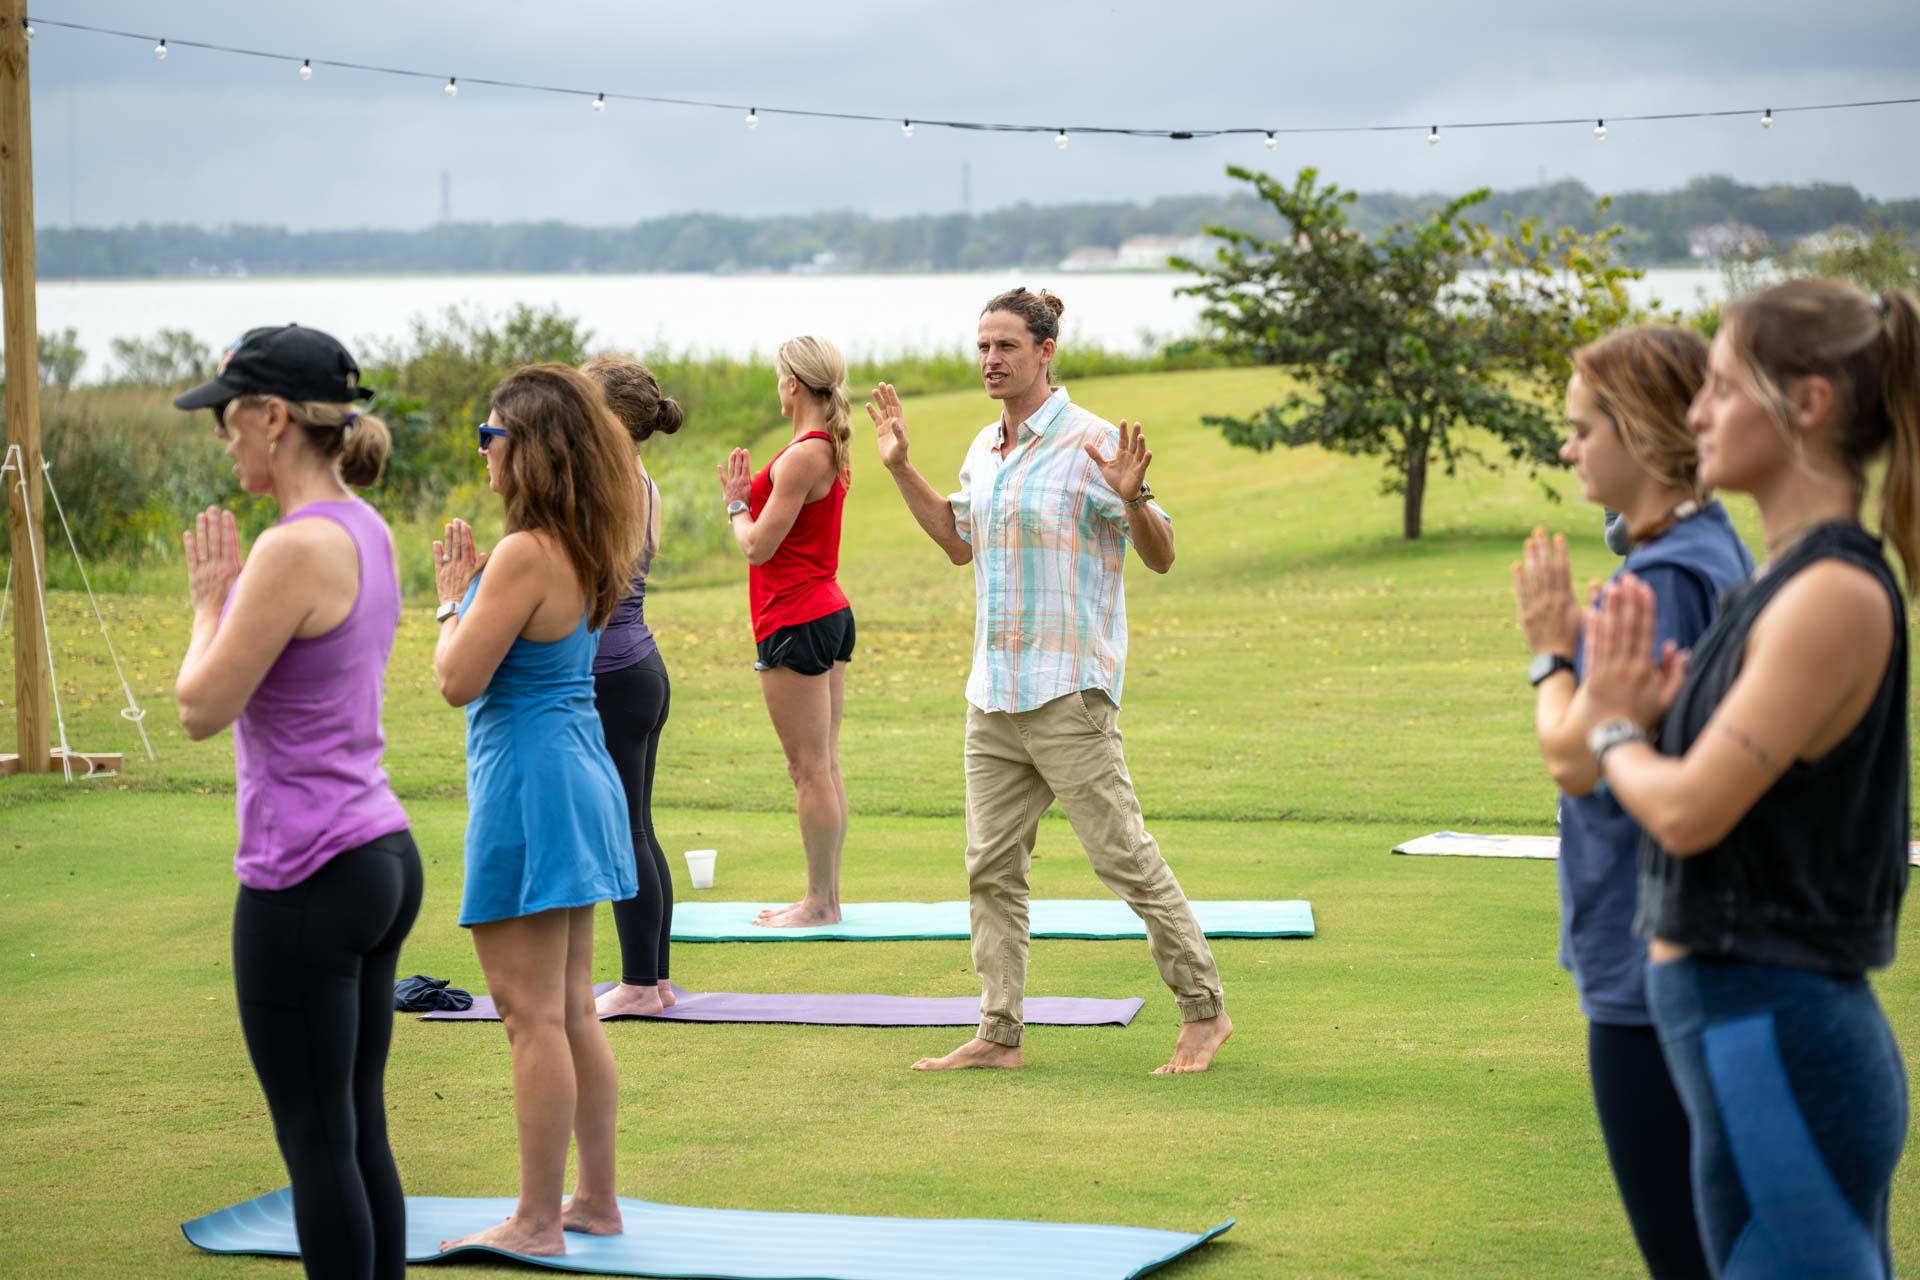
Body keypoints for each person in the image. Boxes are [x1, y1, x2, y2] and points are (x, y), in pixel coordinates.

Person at [1581, 279, 1915, 1277]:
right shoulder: (1779, 580)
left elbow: (1686, 811)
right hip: (1739, 1033)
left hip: (1779, 1035)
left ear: (1806, 403)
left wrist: (1612, 729)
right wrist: (1645, 719)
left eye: (1721, 387)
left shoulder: (1831, 594)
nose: (1695, 415)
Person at [870, 286, 1231, 1074]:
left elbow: (1161, 553)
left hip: (1069, 692)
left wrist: (1134, 496)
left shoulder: (1090, 441)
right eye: (982, 348)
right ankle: (999, 1033)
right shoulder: (984, 447)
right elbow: (959, 541)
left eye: (1005, 346)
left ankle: (1204, 1013)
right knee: (990, 870)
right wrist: (901, 470)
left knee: (1123, 859)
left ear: (1045, 351)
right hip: (992, 693)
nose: (990, 361)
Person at [171, 324, 420, 1280]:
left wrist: (206, 605)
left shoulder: (289, 549)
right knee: (357, 1133)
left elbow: (200, 707)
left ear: (274, 419)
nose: (224, 438)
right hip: (379, 855)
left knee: (319, 1146)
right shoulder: (367, 526)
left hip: (306, 872)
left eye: (230, 418)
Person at [1511, 326, 1750, 1280]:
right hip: (1678, 939)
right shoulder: (1707, 551)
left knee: (1687, 1253)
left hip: (1648, 953)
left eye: (1579, 430)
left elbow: (1574, 758)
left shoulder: (1661, 582)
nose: (1567, 449)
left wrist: (1549, 653)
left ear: (1641, 435)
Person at [431, 364, 645, 1257]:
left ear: (530, 449)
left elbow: (456, 680)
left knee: (531, 1016)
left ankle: (536, 1221)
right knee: (571, 1010)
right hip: (577, 775)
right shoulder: (591, 537)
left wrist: (451, 601)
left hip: (532, 784)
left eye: (491, 437)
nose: (483, 451)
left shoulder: (524, 552)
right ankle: (592, 1200)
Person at [715, 336, 856, 928]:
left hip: (796, 617)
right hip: (821, 611)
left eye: (779, 378)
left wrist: (734, 505)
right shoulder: (822, 447)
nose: (778, 388)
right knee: (822, 763)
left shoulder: (805, 453)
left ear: (793, 383)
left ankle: (820, 902)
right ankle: (827, 898)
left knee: (809, 769)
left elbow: (756, 546)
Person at [581, 356, 682, 1018]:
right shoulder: (637, 479)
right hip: (638, 670)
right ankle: (656, 980)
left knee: (624, 832)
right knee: (635, 827)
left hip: (616, 678)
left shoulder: (609, 485)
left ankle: (641, 986)